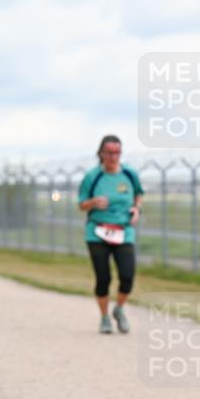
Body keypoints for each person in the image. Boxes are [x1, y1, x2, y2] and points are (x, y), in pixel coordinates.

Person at [77, 135, 143, 334]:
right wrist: (92, 202)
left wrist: (137, 209)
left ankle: (119, 309)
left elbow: (139, 194)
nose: (113, 157)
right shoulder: (93, 177)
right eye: (109, 153)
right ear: (101, 154)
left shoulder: (130, 175)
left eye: (117, 153)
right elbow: (81, 204)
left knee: (127, 275)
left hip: (123, 231)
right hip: (97, 232)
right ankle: (104, 317)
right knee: (103, 277)